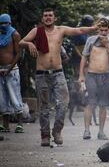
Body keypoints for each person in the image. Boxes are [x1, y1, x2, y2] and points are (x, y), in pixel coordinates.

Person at [19, 8, 99, 146]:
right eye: (45, 16)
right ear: (42, 18)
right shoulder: (36, 31)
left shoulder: (61, 30)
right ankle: (45, 136)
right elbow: (21, 42)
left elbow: (78, 30)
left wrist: (94, 27)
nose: (48, 18)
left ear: (55, 18)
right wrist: (29, 43)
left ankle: (57, 131)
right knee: (43, 106)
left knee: (63, 104)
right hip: (41, 74)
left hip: (58, 73)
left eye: (50, 15)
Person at [79, 18, 109, 140]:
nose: (103, 32)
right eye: (101, 30)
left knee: (103, 105)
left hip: (105, 76)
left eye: (105, 30)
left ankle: (101, 131)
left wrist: (107, 44)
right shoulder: (91, 40)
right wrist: (81, 75)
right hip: (91, 75)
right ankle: (86, 130)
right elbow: (84, 57)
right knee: (90, 103)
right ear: (98, 30)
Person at [0, 14, 23, 133]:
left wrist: (9, 70)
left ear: (9, 23)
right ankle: (5, 125)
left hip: (11, 70)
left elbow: (18, 54)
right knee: (2, 98)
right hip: (0, 70)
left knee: (15, 96)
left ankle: (20, 124)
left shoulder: (15, 34)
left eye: (5, 23)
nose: (3, 26)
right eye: (1, 23)